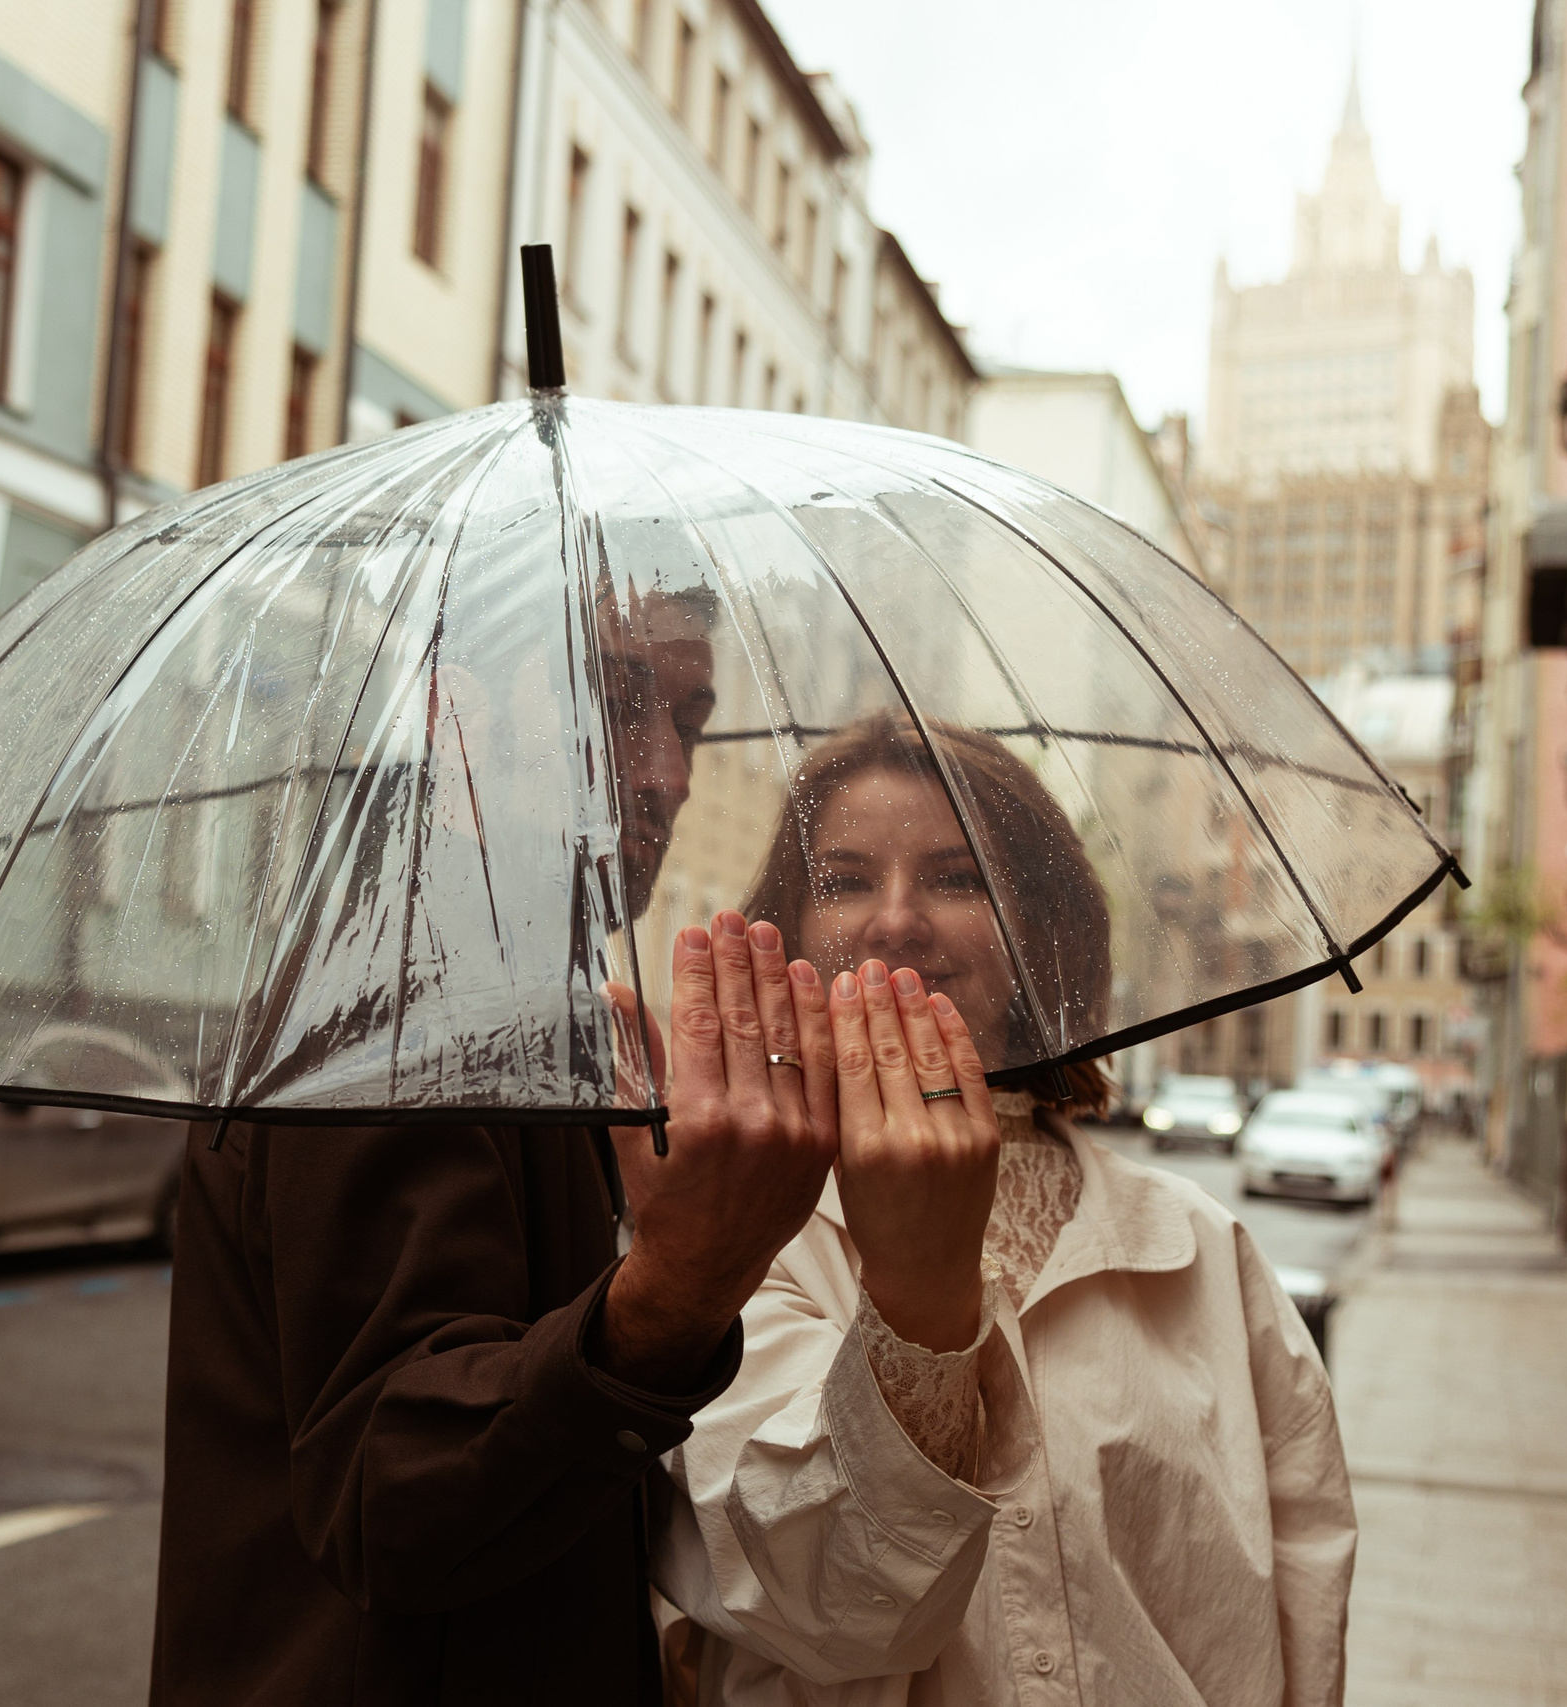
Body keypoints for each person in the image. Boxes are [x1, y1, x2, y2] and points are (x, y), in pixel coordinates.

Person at [148, 590, 904, 1703]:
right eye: (608, 705)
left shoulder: (526, 997)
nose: (664, 774)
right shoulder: (398, 993)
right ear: (457, 712)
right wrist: (677, 1288)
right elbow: (389, 1493)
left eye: (687, 722)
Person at [655, 713, 1357, 1705]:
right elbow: (815, 1600)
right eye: (846, 879)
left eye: (957, 876)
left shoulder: (1201, 1250)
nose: (897, 918)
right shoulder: (737, 1246)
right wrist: (916, 1306)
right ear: (790, 929)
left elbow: (1301, 1613)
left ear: (1043, 927)